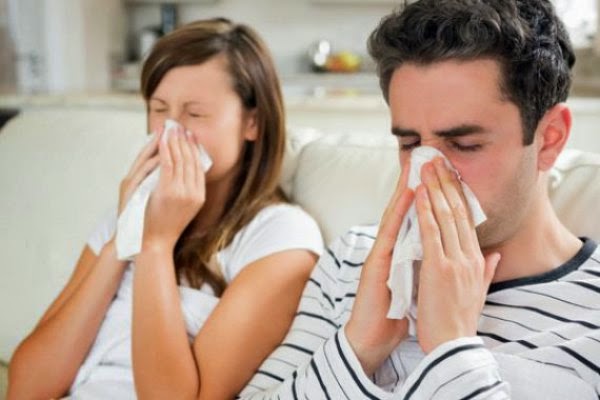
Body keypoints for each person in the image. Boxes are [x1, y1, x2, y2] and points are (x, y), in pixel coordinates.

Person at [237, 1, 600, 399]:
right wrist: (357, 349)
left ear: (549, 139)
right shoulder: (354, 260)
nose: (426, 173)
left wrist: (451, 348)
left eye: (464, 144)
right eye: (409, 143)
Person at [7, 18, 322, 400]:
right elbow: (25, 387)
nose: (171, 132)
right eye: (159, 109)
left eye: (195, 114)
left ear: (252, 122)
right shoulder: (126, 217)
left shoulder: (280, 236)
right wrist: (125, 234)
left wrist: (155, 245)